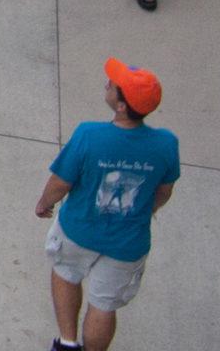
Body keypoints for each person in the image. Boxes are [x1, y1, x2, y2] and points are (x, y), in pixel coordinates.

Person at [40, 60, 181, 351]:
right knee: (103, 305)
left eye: (113, 85)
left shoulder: (89, 136)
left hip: (78, 231)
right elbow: (164, 192)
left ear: (121, 106)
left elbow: (60, 183)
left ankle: (67, 343)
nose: (107, 83)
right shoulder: (166, 144)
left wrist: (44, 203)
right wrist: (147, 210)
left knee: (66, 275)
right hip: (128, 244)